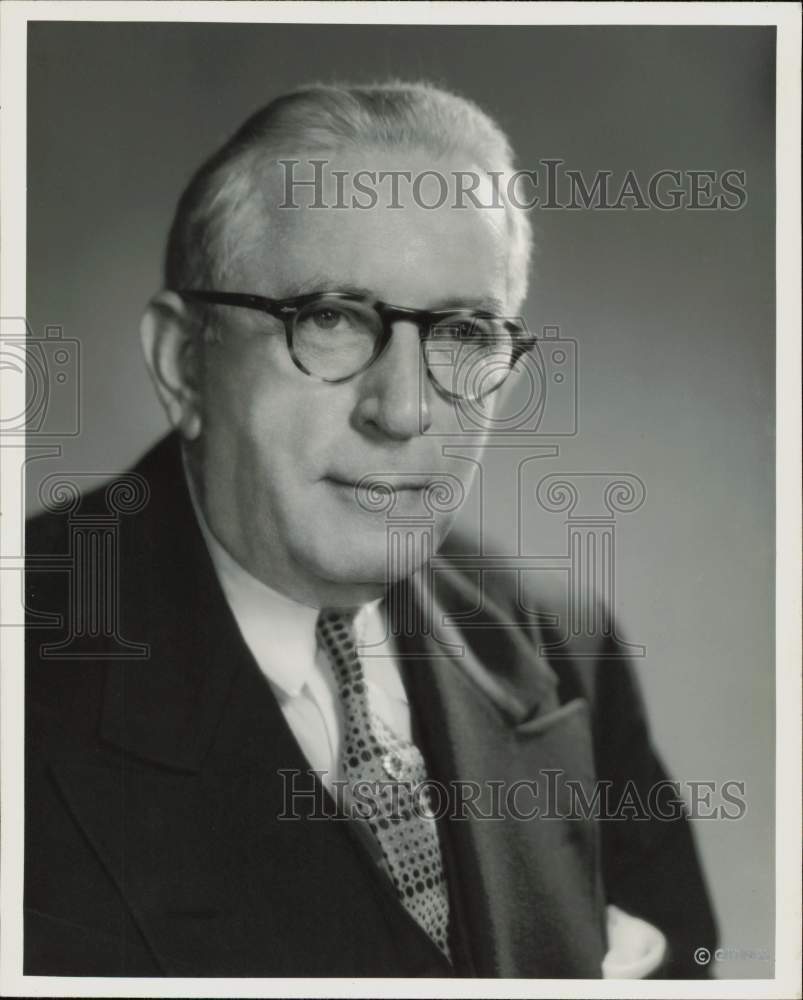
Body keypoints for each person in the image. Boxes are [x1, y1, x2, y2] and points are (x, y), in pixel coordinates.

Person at [24, 82, 716, 978]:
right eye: (331, 319)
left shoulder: (563, 649)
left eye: (463, 332)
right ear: (183, 362)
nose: (403, 410)